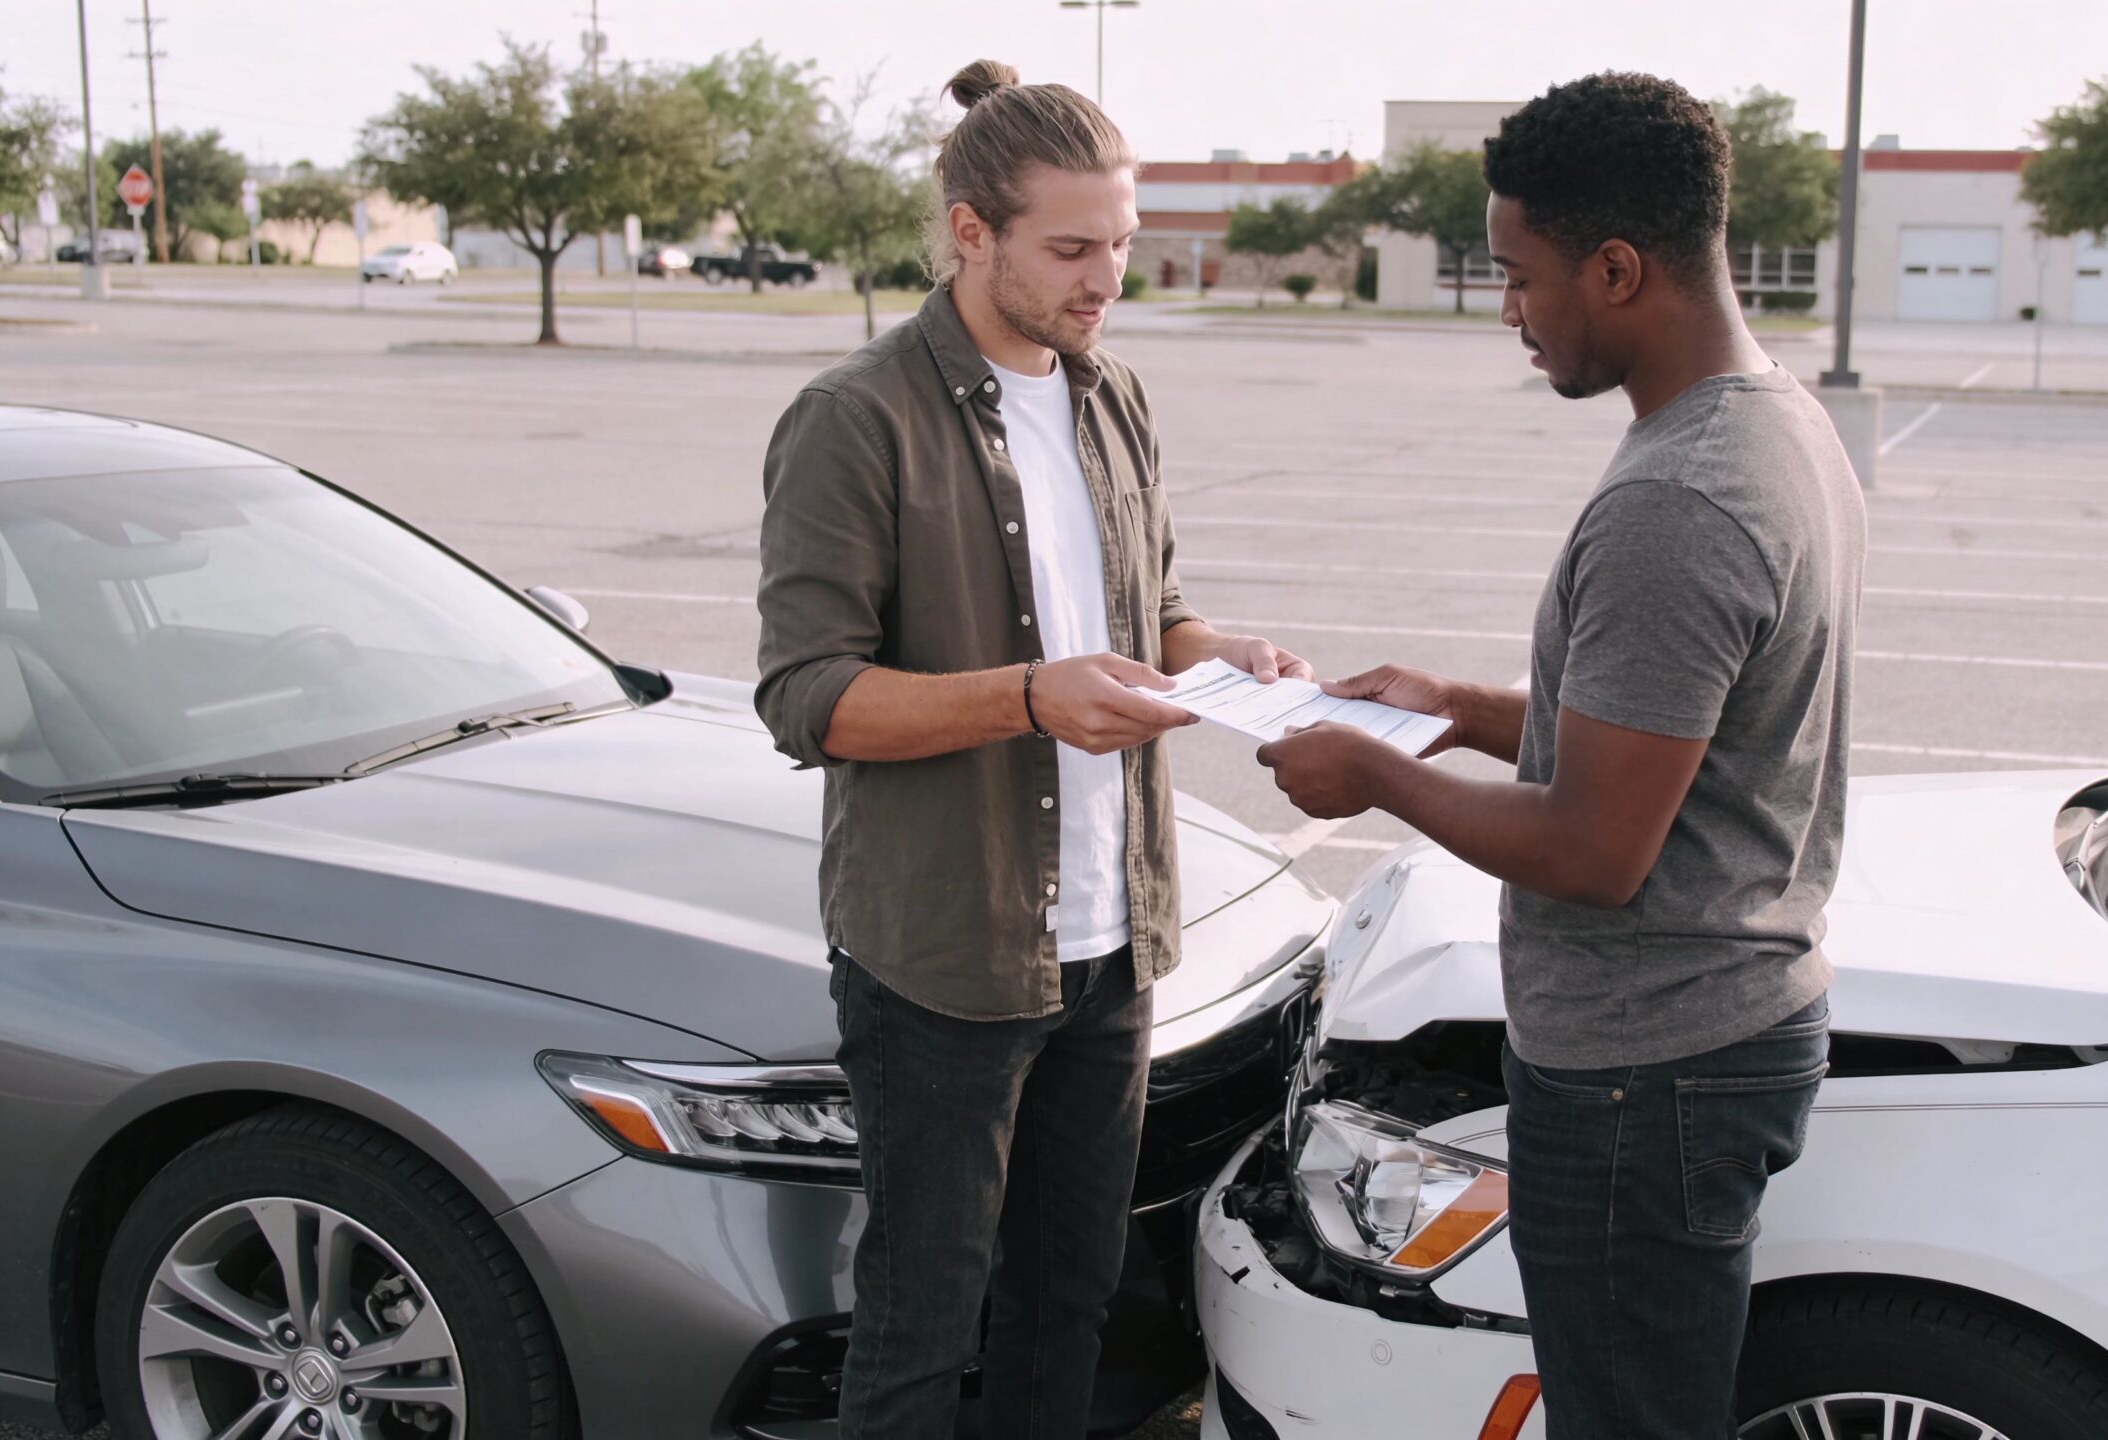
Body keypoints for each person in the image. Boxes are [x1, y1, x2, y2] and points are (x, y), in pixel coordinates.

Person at [1254, 71, 1866, 1439]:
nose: (1511, 314)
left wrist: (1376, 774)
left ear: (1617, 266)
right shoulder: (1778, 423)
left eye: (1521, 278)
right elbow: (1667, 740)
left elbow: (1597, 846)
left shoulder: (1678, 500)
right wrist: (1457, 708)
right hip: (1721, 1032)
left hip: (1652, 1074)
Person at [754, 59, 1309, 1440]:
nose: (1104, 278)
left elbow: (1145, 610)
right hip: (944, 954)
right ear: (969, 231)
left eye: (1119, 244)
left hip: (1112, 938)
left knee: (1070, 1298)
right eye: (1071, 249)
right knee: (922, 1321)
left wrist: (1213, 652)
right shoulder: (855, 417)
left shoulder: (1111, 394)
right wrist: (1027, 698)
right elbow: (805, 695)